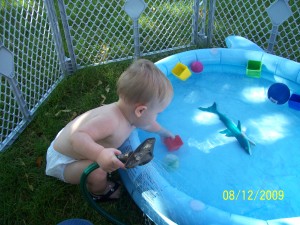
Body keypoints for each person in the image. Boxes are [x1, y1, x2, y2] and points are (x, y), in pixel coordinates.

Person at [45, 59, 174, 201]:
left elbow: (149, 124)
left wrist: (164, 133)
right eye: (157, 113)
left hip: (80, 146)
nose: (156, 117)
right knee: (97, 172)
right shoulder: (110, 120)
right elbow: (76, 137)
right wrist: (99, 154)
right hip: (65, 161)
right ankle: (101, 191)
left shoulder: (131, 115)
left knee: (101, 162)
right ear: (140, 110)